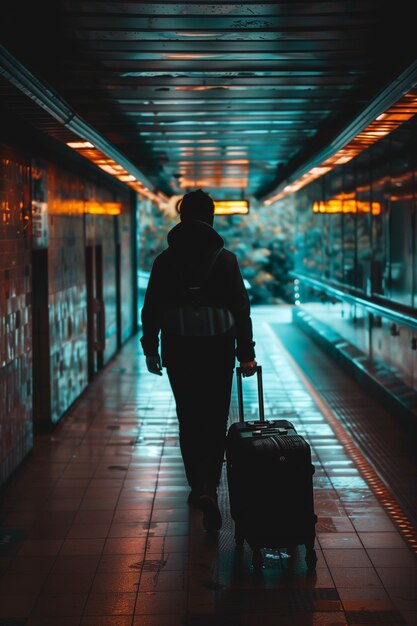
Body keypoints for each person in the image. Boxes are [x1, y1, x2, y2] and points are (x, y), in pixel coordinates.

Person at [140, 189, 257, 532]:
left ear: (180, 217)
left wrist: (151, 349)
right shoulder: (225, 259)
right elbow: (241, 311)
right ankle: (210, 483)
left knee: (188, 415)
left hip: (179, 349)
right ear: (211, 217)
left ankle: (198, 487)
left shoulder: (165, 260)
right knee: (215, 416)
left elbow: (152, 309)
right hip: (217, 349)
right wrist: (246, 354)